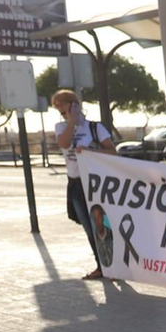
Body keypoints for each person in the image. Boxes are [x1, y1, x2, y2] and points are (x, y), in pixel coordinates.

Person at [52, 89, 116, 280]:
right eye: (57, 108)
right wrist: (71, 122)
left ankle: (115, 266)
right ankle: (101, 265)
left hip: (95, 183)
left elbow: (112, 151)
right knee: (89, 227)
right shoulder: (61, 127)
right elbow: (64, 144)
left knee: (103, 224)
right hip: (75, 183)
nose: (60, 110)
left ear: (73, 104)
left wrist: (90, 151)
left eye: (63, 105)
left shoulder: (95, 128)